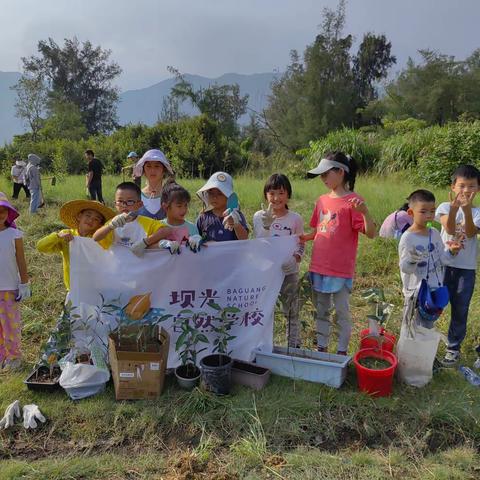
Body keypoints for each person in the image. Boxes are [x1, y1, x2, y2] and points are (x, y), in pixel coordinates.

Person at [300, 152, 376, 355]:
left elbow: (371, 233)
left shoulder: (354, 201)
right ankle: (322, 348)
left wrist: (366, 212)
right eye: (321, 175)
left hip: (340, 269)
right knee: (322, 310)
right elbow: (318, 230)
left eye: (326, 174)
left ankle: (341, 352)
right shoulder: (322, 200)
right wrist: (303, 237)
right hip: (319, 266)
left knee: (341, 311)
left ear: (341, 172)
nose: (323, 179)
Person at [435, 165, 480, 366]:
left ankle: (453, 348)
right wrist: (454, 210)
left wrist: (466, 211)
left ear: (478, 189)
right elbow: (450, 228)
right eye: (462, 186)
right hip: (442, 265)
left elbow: (470, 233)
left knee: (460, 309)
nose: (466, 190)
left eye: (471, 186)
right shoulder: (444, 207)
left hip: (466, 269)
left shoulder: (478, 212)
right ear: (453, 187)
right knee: (434, 304)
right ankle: (426, 342)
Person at [253, 173, 304, 347]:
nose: (276, 198)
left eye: (281, 193)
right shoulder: (259, 216)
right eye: (272, 193)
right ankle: (264, 344)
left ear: (288, 194)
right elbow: (260, 243)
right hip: (266, 272)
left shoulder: (295, 218)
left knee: (291, 309)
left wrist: (295, 259)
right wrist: (266, 226)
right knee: (265, 309)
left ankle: (293, 345)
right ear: (266, 194)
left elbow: (301, 243)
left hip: (288, 272)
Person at [399, 190, 459, 328]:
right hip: (415, 293)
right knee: (411, 329)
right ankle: (408, 350)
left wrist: (451, 252)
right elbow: (405, 268)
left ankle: (423, 349)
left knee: (427, 328)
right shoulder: (408, 238)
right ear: (411, 213)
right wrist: (412, 259)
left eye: (432, 211)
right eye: (423, 211)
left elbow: (442, 260)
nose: (429, 216)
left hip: (434, 290)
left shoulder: (435, 233)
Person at [37, 200, 116, 292]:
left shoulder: (101, 240)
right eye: (88, 215)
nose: (91, 220)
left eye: (96, 219)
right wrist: (57, 236)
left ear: (100, 225)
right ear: (79, 216)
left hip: (95, 287)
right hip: (72, 286)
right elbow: (41, 247)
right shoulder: (66, 235)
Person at [92, 182, 171, 256]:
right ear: (115, 204)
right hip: (118, 268)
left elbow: (166, 230)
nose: (124, 205)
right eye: (120, 201)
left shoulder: (146, 222)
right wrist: (110, 226)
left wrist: (145, 242)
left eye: (130, 201)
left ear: (139, 204)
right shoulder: (113, 223)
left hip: (141, 268)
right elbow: (95, 238)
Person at [0, 192, 31, 370]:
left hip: (9, 288)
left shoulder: (14, 234)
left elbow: (21, 259)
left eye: (3, 211)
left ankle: (14, 357)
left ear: (8, 213)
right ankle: (2, 356)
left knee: (11, 324)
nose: (0, 215)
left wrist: (24, 283)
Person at [196, 172, 249, 242]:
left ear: (228, 196)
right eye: (211, 193)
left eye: (220, 193)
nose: (214, 197)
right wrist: (196, 239)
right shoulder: (203, 217)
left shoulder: (236, 216)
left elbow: (244, 239)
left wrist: (236, 225)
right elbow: (196, 236)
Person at [156, 180, 203, 254]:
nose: (184, 209)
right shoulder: (157, 227)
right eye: (179, 206)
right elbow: (147, 248)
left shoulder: (192, 228)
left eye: (186, 205)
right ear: (165, 206)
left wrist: (198, 238)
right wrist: (161, 244)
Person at [133, 149, 174, 220]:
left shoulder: (172, 196)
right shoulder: (136, 197)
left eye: (157, 166)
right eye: (148, 166)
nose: (152, 170)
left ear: (164, 170)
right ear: (143, 170)